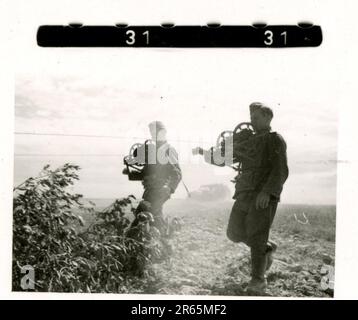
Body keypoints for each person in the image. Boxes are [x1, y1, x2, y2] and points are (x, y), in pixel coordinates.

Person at [194, 102, 289, 294]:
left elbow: (281, 170)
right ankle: (266, 249)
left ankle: (258, 281)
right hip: (244, 193)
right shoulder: (248, 141)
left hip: (262, 196)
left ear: (268, 118)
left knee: (256, 235)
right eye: (251, 117)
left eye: (256, 117)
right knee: (234, 232)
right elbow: (223, 159)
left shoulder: (274, 140)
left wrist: (267, 192)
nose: (252, 121)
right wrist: (205, 153)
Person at [127, 121, 182, 235]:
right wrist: (131, 174)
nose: (153, 135)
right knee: (154, 218)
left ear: (163, 133)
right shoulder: (151, 151)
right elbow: (145, 173)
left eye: (155, 132)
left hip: (161, 190)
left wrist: (169, 187)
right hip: (150, 191)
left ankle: (131, 238)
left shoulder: (168, 150)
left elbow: (177, 174)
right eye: (152, 132)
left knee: (144, 214)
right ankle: (165, 240)